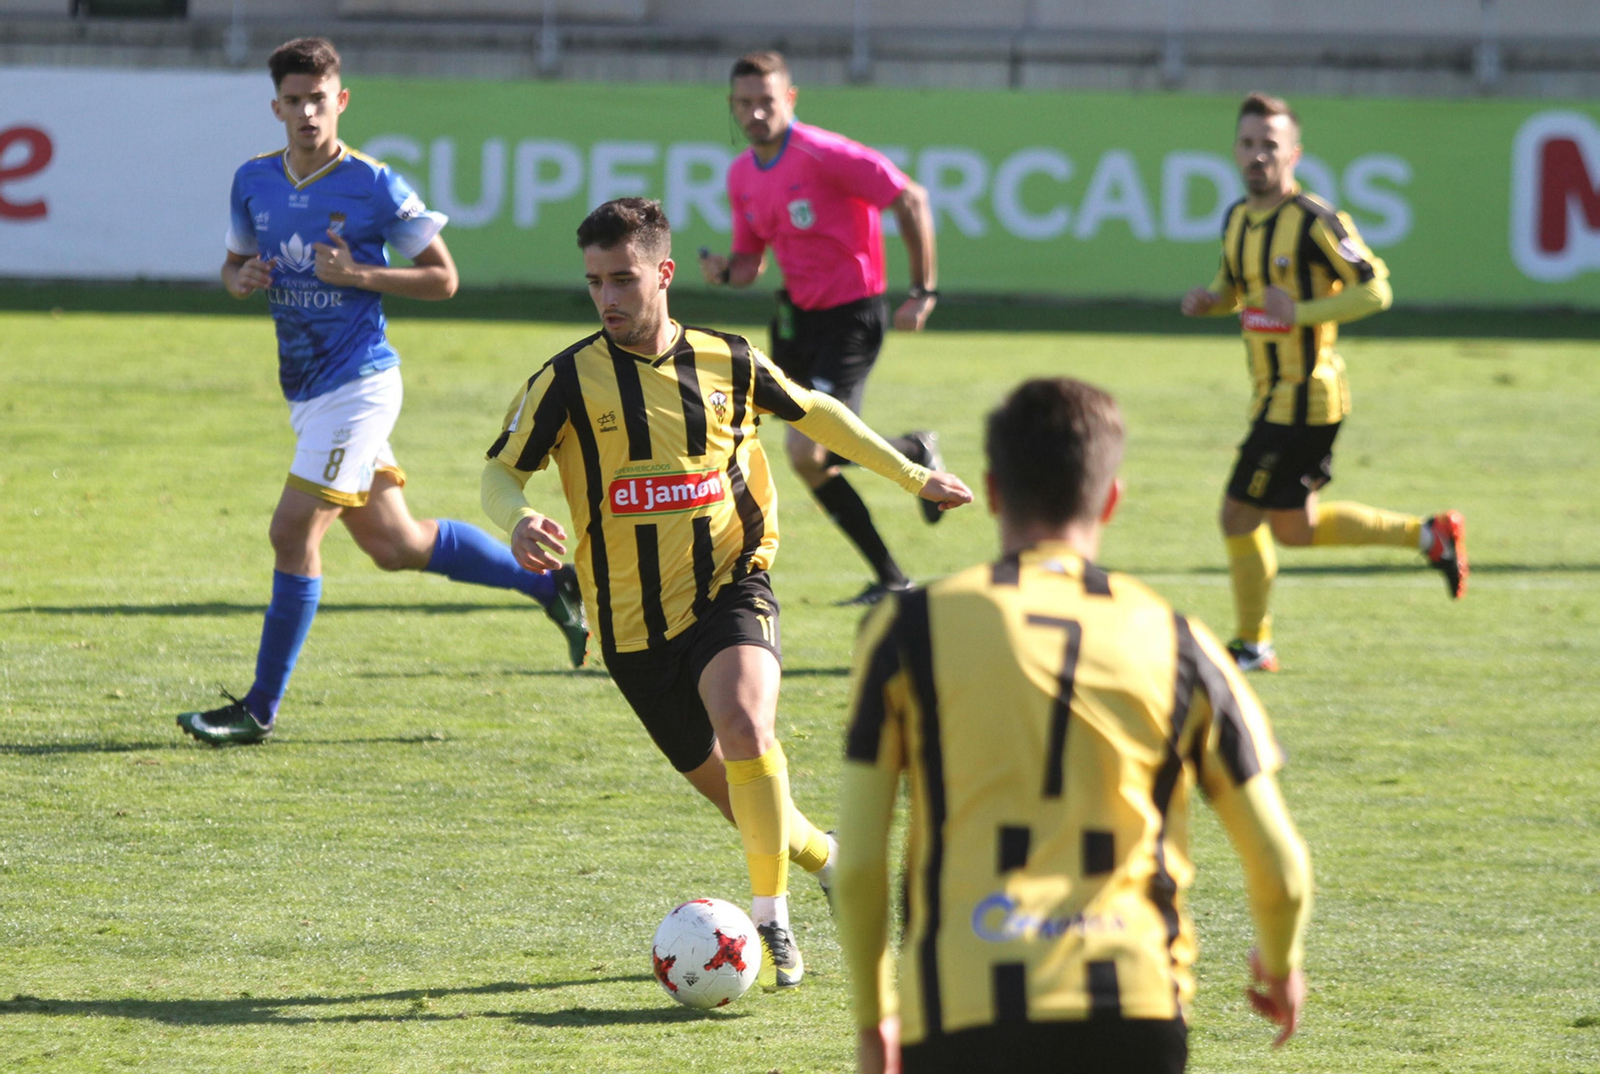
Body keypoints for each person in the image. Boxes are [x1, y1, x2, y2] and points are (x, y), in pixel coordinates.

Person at [480, 197, 972, 988]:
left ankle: (771, 924)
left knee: (747, 723)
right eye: (595, 283)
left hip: (730, 585)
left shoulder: (728, 360)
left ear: (663, 273)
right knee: (747, 805)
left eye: (624, 279)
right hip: (633, 633)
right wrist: (516, 518)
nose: (608, 298)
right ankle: (834, 863)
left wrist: (914, 474)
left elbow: (819, 413)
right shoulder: (568, 380)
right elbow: (501, 471)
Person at [834, 377, 1313, 1074]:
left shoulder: (908, 630)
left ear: (994, 493)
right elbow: (1281, 867)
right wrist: (1280, 963)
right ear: (1110, 499)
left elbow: (857, 866)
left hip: (962, 1008)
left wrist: (875, 1019)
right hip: (1134, 1010)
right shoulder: (1179, 641)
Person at [178, 37, 586, 747]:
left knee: (291, 531)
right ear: (276, 107)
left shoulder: (375, 185)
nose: (308, 112)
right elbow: (234, 263)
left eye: (319, 99)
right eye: (294, 100)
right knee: (396, 544)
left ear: (341, 101)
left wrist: (360, 276)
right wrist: (236, 279)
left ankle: (258, 710)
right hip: (306, 393)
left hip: (361, 385)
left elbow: (444, 277)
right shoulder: (252, 180)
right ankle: (552, 586)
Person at [1181, 91, 1468, 673]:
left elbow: (1376, 287)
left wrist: (1305, 316)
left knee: (1237, 516)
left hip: (1306, 398)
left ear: (1294, 153)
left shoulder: (1314, 221)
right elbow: (1238, 291)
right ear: (1235, 149)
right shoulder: (1237, 217)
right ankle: (1430, 536)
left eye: (1270, 145)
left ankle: (1253, 644)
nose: (1257, 155)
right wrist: (1212, 302)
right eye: (1248, 143)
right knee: (1294, 528)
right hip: (1270, 393)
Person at [700, 50, 945, 607]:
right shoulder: (741, 174)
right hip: (795, 319)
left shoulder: (824, 153)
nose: (755, 113)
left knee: (811, 452)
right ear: (733, 106)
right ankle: (891, 578)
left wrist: (921, 291)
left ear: (789, 98)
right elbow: (750, 264)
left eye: (766, 101)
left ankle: (916, 454)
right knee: (807, 461)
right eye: (744, 103)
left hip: (851, 315)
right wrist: (725, 273)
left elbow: (911, 197)